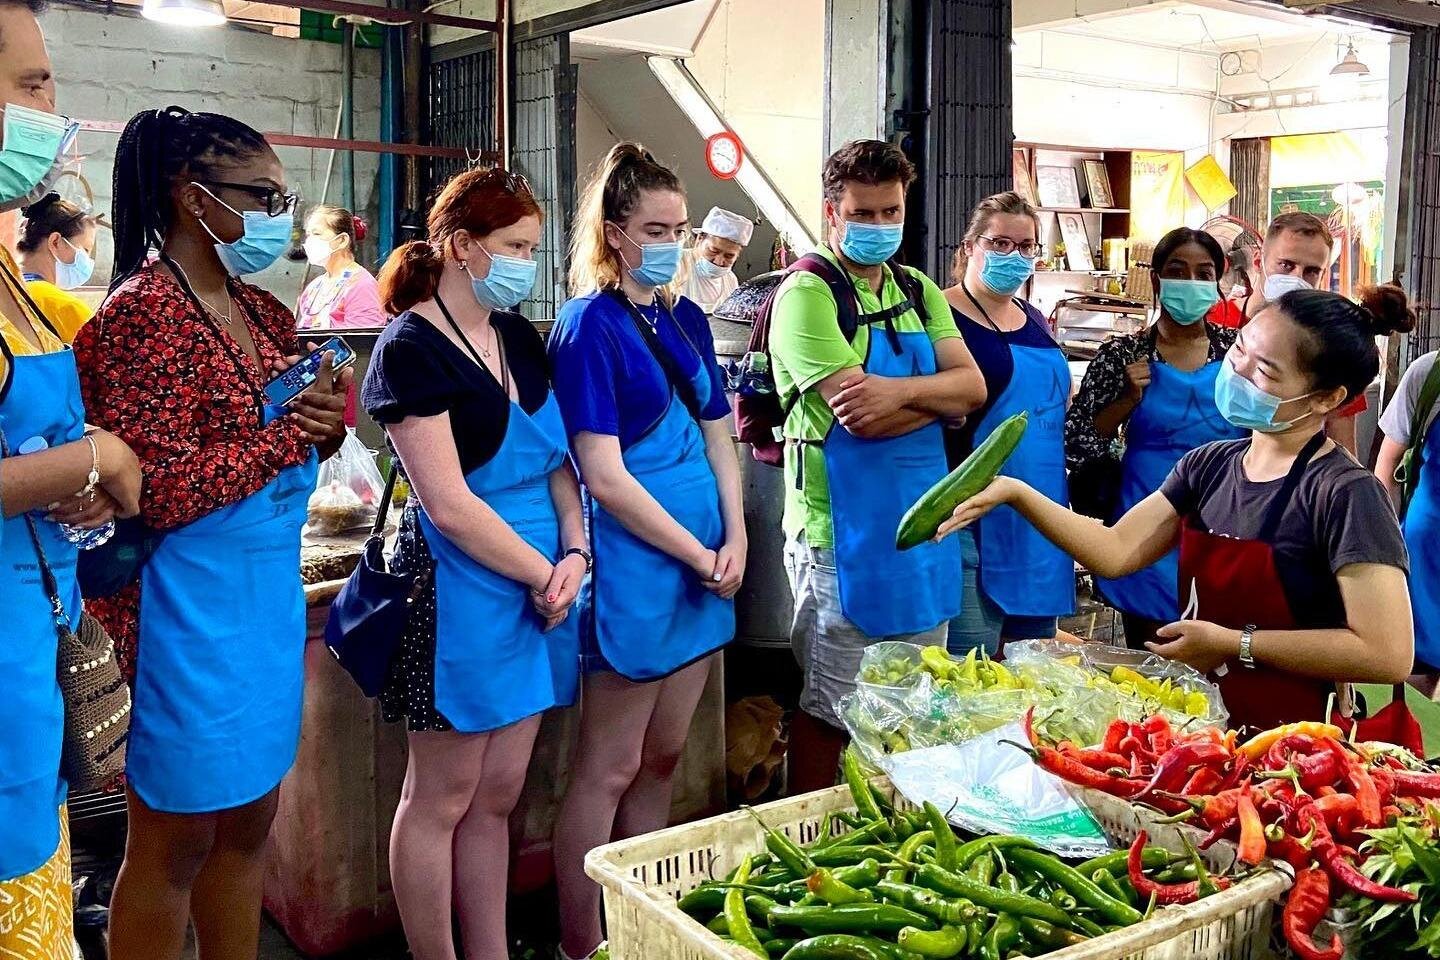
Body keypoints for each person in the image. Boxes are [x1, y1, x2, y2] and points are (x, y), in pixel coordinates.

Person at [73, 106, 349, 960]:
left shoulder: (262, 312)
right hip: (182, 616)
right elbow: (155, 490)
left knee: (252, 823)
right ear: (195, 199)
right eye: (262, 197)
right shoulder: (141, 317)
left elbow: (294, 438)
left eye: (283, 198)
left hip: (262, 605)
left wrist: (325, 424)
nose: (278, 218)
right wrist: (286, 439)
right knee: (175, 841)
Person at [937, 286, 1416, 731]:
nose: (1238, 372)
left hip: (1298, 745)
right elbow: (1116, 550)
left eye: (1265, 371)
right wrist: (1016, 492)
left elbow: (1387, 652)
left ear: (1327, 398)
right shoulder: (1210, 466)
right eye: (1240, 350)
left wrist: (1233, 643)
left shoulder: (1346, 494)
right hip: (1204, 730)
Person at [364, 168, 582, 960]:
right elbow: (449, 505)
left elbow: (558, 461)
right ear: (462, 246)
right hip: (461, 587)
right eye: (514, 246)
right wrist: (542, 574)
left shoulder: (517, 335)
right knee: (441, 797)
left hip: (544, 584)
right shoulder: (408, 349)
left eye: (531, 247)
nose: (527, 262)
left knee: (497, 794)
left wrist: (576, 549)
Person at [548, 143, 743, 960]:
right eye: (656, 230)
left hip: (706, 564)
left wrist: (735, 535)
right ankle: (581, 941)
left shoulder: (685, 315)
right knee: (609, 766)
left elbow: (720, 433)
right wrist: (697, 554)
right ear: (615, 233)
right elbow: (602, 474)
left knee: (662, 757)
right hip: (636, 565)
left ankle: (641, 922)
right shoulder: (586, 326)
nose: (671, 243)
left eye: (680, 228)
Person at [770, 140, 983, 794]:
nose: (879, 225)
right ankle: (809, 826)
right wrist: (936, 401)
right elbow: (860, 419)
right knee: (834, 711)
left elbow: (973, 388)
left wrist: (893, 391)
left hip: (924, 533)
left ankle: (893, 824)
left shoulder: (917, 289)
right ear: (832, 212)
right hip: (841, 542)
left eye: (891, 212)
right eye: (862, 213)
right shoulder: (807, 295)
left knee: (913, 707)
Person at [0, 4, 142, 956]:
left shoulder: (10, 278)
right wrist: (102, 457)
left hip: (32, 646)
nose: (49, 110)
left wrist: (74, 466)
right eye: (31, 84)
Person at [1066, 227, 1245, 648]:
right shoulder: (1122, 355)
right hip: (1145, 522)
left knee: (1221, 652)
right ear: (1157, 279)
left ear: (1217, 282)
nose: (1190, 282)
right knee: (1152, 659)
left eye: (1203, 274)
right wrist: (1126, 400)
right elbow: (1077, 441)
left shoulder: (1239, 352)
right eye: (1177, 271)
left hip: (1227, 522)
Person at [941, 191, 1070, 657]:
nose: (1014, 256)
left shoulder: (1034, 318)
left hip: (1039, 518)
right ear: (968, 246)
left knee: (1033, 671)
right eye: (999, 243)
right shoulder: (940, 316)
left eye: (1026, 246)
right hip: (969, 518)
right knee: (969, 670)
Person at [1234, 212, 1365, 455]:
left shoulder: (1332, 344)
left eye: (1311, 271)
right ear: (1258, 261)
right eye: (1286, 265)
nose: (1296, 278)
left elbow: (1343, 444)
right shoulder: (1212, 323)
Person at [1374, 334, 1440, 696]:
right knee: (1414, 666)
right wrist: (1382, 544)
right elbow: (1387, 464)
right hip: (1424, 556)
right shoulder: (1429, 373)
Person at [16, 191, 100, 342]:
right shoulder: (65, 308)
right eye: (85, 250)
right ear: (55, 242)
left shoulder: (7, 289)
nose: (88, 260)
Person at [296, 203, 385, 329]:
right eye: (308, 235)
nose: (309, 241)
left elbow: (363, 339)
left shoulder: (362, 285)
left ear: (342, 240)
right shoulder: (313, 288)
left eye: (316, 234)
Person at [680, 205, 752, 310]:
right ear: (700, 239)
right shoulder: (676, 264)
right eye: (713, 251)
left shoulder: (730, 281)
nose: (719, 262)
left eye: (729, 256)